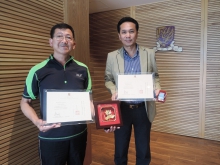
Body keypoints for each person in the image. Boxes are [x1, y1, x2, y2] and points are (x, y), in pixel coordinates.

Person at [20, 23, 92, 165]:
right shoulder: (37, 70)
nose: (64, 40)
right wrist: (37, 121)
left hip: (79, 135)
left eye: (68, 37)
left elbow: (88, 100)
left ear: (74, 44)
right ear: (51, 42)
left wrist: (105, 120)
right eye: (59, 36)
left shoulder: (83, 69)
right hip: (51, 138)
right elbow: (24, 102)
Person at [104, 17, 161, 165]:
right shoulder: (112, 56)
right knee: (120, 147)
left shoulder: (149, 53)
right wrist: (114, 90)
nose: (127, 35)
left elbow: (155, 76)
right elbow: (108, 79)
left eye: (131, 31)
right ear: (119, 35)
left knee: (143, 148)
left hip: (143, 108)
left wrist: (156, 88)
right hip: (122, 108)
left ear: (137, 33)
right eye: (124, 32)